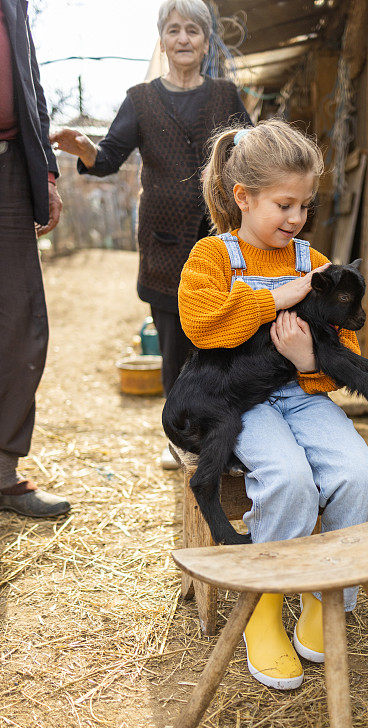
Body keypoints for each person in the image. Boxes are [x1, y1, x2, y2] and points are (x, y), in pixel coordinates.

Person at [178, 119, 368, 690]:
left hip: (302, 394)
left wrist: (306, 363)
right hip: (242, 403)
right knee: (289, 478)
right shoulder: (211, 256)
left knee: (361, 477)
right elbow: (201, 327)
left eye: (304, 205)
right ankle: (265, 604)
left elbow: (345, 346)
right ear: (243, 198)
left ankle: (329, 598)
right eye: (283, 204)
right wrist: (278, 295)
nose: (296, 219)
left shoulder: (312, 257)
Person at [50, 0, 251, 468]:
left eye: (193, 31)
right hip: (164, 245)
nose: (183, 39)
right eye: (174, 29)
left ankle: (225, 435)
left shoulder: (225, 95)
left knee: (223, 339)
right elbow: (108, 158)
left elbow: (251, 148)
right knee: (175, 343)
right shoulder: (140, 99)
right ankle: (179, 438)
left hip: (220, 241)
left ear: (206, 41)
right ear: (162, 39)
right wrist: (84, 147)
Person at [0, 0, 69, 518]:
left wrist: (45, 173)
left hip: (8, 169)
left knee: (22, 320)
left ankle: (2, 473)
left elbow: (31, 88)